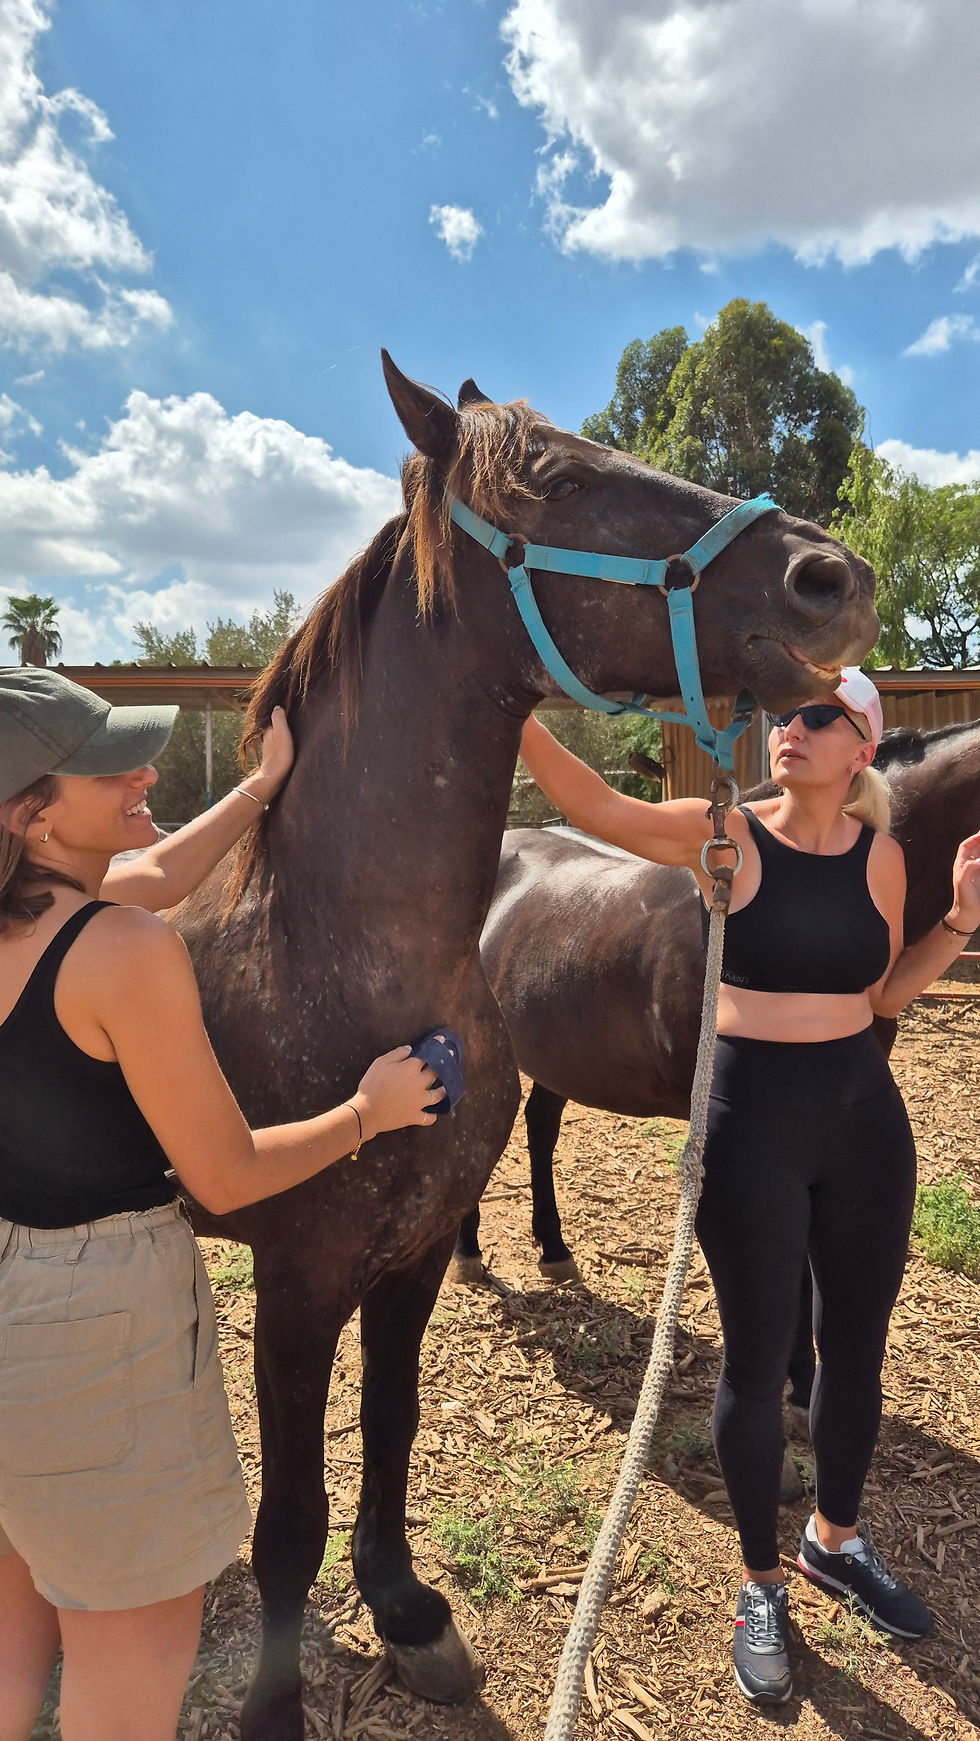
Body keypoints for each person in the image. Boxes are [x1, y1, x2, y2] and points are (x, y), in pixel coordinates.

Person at [518, 668, 980, 1707]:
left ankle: (835, 1541)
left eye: (818, 719)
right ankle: (761, 1581)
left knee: (854, 1354)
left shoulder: (883, 858)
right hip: (749, 1126)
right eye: (783, 715)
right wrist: (516, 717)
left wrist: (954, 921)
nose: (790, 729)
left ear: (860, 747)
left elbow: (883, 995)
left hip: (865, 1125)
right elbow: (595, 809)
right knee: (755, 1360)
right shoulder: (723, 833)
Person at [0, 668, 445, 1741]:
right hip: (92, 1332)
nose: (142, 770)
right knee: (126, 1655)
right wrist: (366, 1111)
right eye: (109, 765)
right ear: (31, 812)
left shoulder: (48, 917)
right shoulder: (122, 951)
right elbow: (226, 1175)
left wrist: (258, 788)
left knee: (15, 1630)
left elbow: (151, 866)